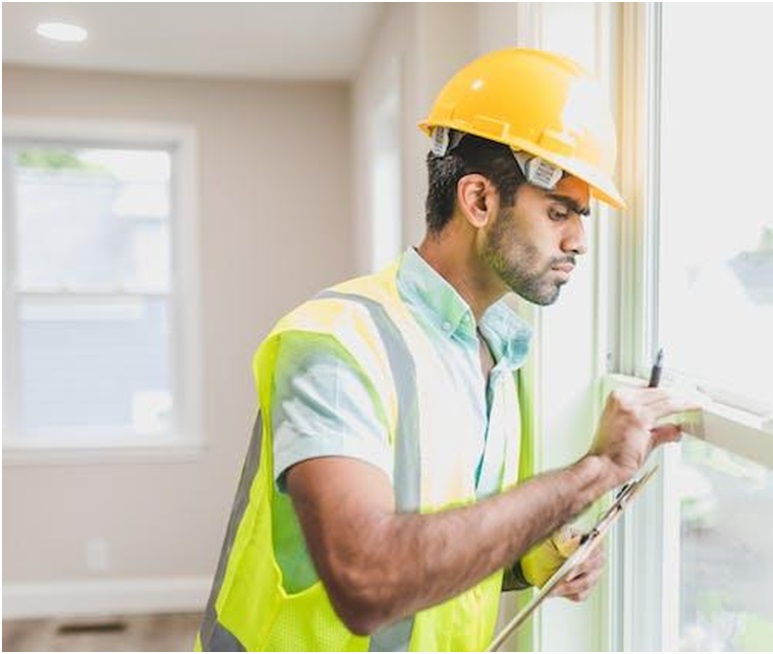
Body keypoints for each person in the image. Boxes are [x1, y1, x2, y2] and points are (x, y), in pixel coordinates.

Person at [196, 47, 697, 652]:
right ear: (480, 200)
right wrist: (595, 471)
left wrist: (533, 562)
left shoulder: (498, 358)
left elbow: (437, 548)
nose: (580, 241)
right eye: (560, 211)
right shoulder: (335, 344)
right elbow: (369, 582)